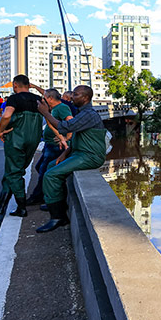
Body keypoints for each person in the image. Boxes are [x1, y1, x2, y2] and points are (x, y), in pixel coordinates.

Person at [35, 85, 106, 232]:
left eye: (76, 94)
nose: (72, 96)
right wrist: (64, 154)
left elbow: (65, 127)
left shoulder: (89, 114)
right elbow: (79, 137)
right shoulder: (83, 112)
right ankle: (56, 202)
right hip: (80, 153)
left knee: (50, 175)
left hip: (90, 156)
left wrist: (45, 113)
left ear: (86, 97)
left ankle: (58, 217)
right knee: (50, 166)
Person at [0, 75, 43, 216]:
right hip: (34, 139)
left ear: (15, 85)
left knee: (14, 172)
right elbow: (49, 96)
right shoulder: (38, 99)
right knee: (14, 170)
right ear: (28, 85)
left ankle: (21, 207)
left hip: (16, 138)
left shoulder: (14, 98)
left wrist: (1, 130)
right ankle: (0, 206)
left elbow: (7, 115)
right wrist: (36, 88)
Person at [25, 88, 72, 205]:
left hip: (56, 147)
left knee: (45, 171)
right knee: (39, 167)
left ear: (50, 98)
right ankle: (44, 194)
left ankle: (39, 196)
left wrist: (67, 138)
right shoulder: (54, 109)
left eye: (45, 98)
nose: (43, 100)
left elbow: (70, 122)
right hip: (49, 145)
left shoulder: (62, 108)